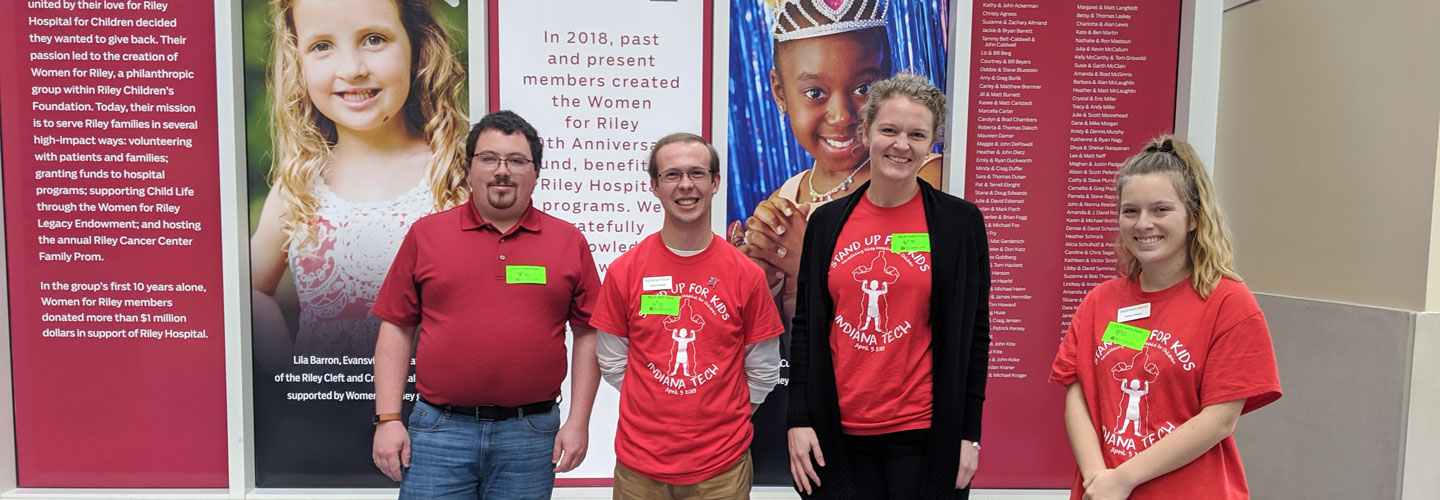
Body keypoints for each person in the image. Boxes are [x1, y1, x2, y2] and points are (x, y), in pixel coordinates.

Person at [369, 111, 601, 499]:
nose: (502, 171)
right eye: (489, 158)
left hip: (531, 434)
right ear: (469, 166)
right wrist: (388, 419)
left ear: (536, 171)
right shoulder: (426, 235)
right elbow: (396, 326)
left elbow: (589, 332)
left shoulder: (568, 241)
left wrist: (578, 422)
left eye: (516, 161)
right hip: (440, 431)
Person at [786, 72, 990, 500]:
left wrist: (969, 434)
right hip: (834, 435)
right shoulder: (826, 222)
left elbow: (975, 333)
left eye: (917, 134)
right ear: (866, 132)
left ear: (933, 141)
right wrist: (797, 420)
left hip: (924, 436)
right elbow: (805, 326)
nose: (902, 145)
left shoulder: (959, 224)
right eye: (889, 130)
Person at [1048, 136, 1282, 500]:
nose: (1143, 224)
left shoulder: (1228, 303)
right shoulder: (1099, 301)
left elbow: (1220, 420)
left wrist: (1124, 477)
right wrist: (1099, 477)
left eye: (1160, 210)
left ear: (1193, 218)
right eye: (1130, 211)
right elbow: (1076, 391)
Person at [250, 0, 469, 367]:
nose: (352, 69)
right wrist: (284, 372)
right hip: (326, 417)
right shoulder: (302, 184)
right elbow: (252, 289)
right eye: (322, 46)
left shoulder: (454, 175)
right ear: (297, 61)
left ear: (417, 46)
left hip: (431, 419)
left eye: (373, 39)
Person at [591, 133, 785, 499]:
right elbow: (613, 362)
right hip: (639, 468)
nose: (685, 185)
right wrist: (659, 400)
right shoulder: (625, 271)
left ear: (714, 183)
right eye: (672, 175)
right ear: (654, 186)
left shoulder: (746, 275)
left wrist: (721, 416)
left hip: (721, 470)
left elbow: (763, 369)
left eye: (697, 173)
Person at [731, 0, 943, 321]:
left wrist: (811, 260)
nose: (842, 116)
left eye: (864, 88)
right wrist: (754, 278)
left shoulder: (925, 179)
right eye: (815, 93)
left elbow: (925, 308)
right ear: (779, 91)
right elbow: (777, 343)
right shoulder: (787, 201)